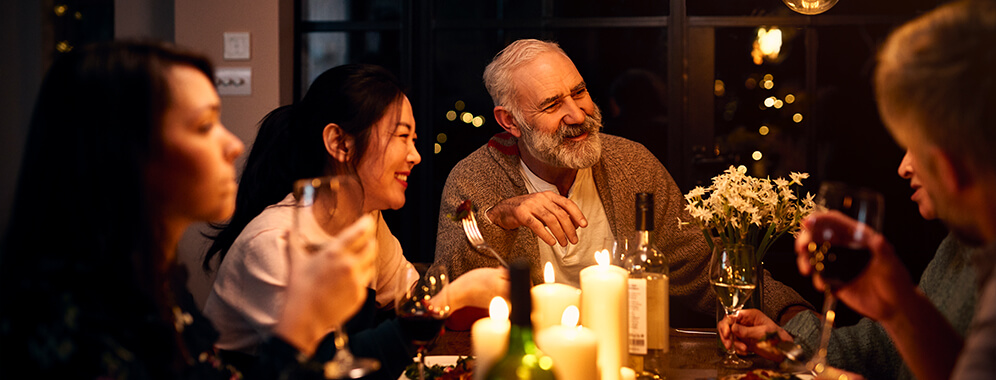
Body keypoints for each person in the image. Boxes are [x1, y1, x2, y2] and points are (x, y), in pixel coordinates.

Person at [0, 41, 377, 379]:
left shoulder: (158, 284)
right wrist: (301, 325)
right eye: (204, 125)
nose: (232, 144)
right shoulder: (73, 327)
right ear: (126, 154)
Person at [432, 38, 812, 325]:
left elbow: (698, 265)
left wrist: (788, 313)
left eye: (579, 92)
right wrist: (498, 218)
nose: (577, 114)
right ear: (510, 122)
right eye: (551, 105)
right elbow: (450, 295)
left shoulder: (632, 162)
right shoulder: (472, 180)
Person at [202, 63, 507, 379]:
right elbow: (325, 368)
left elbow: (412, 300)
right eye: (402, 136)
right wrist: (455, 296)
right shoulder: (273, 240)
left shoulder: (365, 219)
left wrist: (481, 293)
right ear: (340, 143)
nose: (415, 155)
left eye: (414, 140)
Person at [790, 1, 996, 379]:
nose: (902, 167)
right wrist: (899, 309)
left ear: (948, 167)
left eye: (915, 148)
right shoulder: (973, 249)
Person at [719, 149, 978, 379]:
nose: (903, 167)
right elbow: (884, 349)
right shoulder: (959, 244)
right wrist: (784, 344)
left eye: (917, 145)